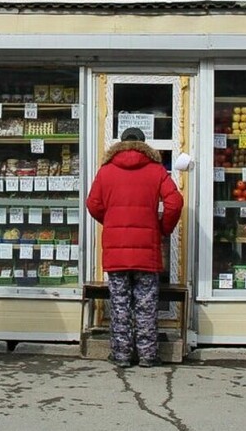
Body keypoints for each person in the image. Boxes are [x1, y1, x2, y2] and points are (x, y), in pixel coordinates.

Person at [86, 127, 184, 368]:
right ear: (143, 144)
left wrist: (110, 221)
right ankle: (148, 355)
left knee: (119, 303)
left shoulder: (106, 171)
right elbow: (175, 202)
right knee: (146, 303)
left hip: (116, 251)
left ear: (120, 143)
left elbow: (93, 204)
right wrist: (163, 227)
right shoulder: (156, 170)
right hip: (147, 252)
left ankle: (121, 355)